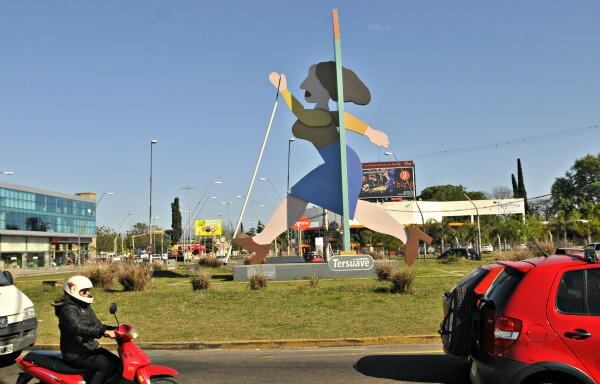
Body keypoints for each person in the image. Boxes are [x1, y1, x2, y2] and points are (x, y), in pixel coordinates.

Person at [235, 62, 431, 265]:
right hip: (337, 163)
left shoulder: (319, 115)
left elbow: (307, 114)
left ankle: (262, 241)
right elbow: (342, 118)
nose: (302, 86)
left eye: (308, 80)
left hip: (341, 164)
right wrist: (370, 132)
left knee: (308, 198)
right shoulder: (324, 114)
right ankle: (408, 236)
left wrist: (284, 90)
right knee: (336, 204)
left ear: (324, 85)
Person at [55, 276, 119, 384]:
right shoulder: (67, 310)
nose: (88, 294)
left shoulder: (85, 306)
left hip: (87, 348)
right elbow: (76, 327)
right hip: (74, 352)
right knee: (105, 365)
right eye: (84, 291)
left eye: (88, 291)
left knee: (117, 362)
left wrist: (114, 328)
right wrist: (103, 332)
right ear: (73, 291)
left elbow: (97, 324)